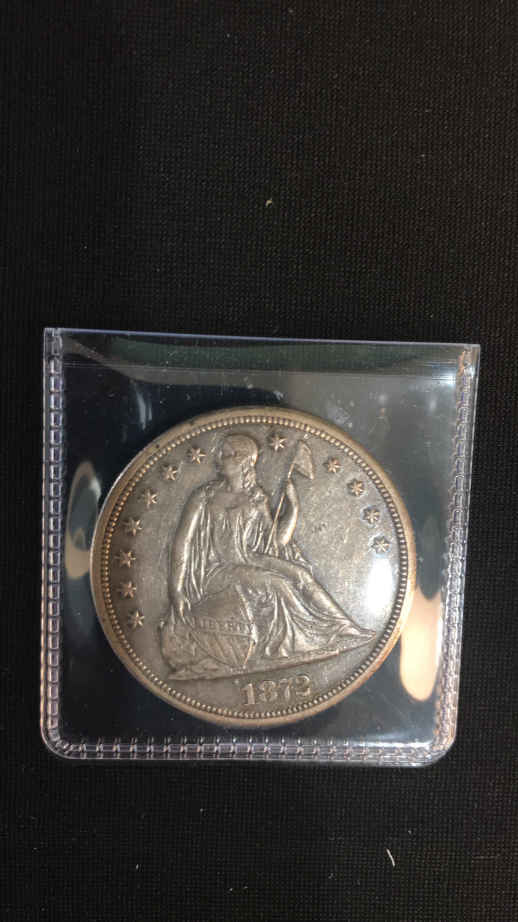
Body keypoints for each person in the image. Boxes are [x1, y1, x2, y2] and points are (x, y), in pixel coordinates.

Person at [160, 434, 373, 679]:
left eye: (226, 454)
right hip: (217, 569)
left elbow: (276, 542)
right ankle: (296, 643)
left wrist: (293, 508)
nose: (219, 459)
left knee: (301, 574)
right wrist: (176, 590)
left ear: (243, 461)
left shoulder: (256, 497)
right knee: (277, 583)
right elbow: (182, 543)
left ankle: (344, 628)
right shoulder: (204, 497)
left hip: (250, 558)